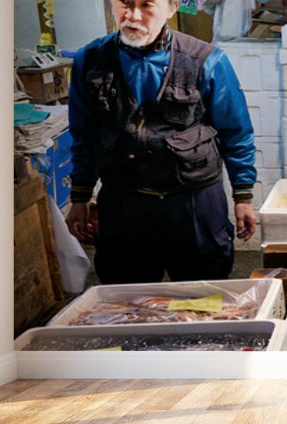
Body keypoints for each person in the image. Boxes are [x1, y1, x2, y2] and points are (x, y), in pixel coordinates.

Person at [66, 0, 257, 284]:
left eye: (146, 5)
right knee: (127, 300)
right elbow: (84, 135)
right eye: (125, 4)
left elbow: (236, 132)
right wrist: (80, 197)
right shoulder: (89, 61)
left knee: (204, 293)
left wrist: (243, 196)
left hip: (193, 200)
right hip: (124, 201)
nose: (132, 15)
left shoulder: (207, 60)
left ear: (171, 8)